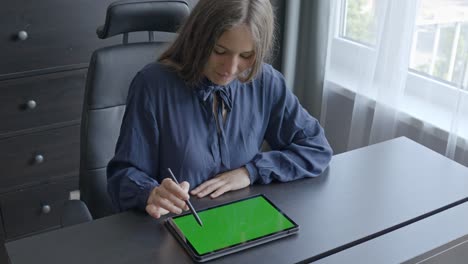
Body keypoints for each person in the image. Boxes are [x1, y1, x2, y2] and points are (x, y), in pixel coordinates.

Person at [107, 0, 333, 219]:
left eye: (246, 56)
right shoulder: (152, 85)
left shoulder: (266, 82)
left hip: (239, 228)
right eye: (220, 50)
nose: (231, 68)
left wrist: (251, 172)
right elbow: (123, 176)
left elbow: (316, 148)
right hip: (171, 230)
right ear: (199, 38)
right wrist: (151, 193)